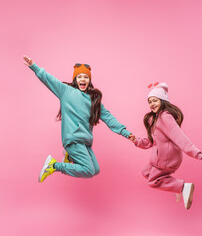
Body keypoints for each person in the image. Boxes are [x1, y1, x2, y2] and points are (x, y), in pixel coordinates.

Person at [23, 55, 132, 183]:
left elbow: (109, 118)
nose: (83, 79)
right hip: (73, 138)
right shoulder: (66, 92)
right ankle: (53, 165)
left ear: (89, 81)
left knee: (95, 170)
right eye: (79, 76)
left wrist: (126, 133)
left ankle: (68, 156)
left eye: (86, 77)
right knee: (88, 170)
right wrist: (33, 66)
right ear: (75, 79)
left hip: (85, 142)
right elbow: (49, 79)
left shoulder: (93, 100)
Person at [129, 82, 202, 210]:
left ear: (163, 101)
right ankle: (177, 188)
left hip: (167, 158)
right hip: (158, 157)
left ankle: (182, 187)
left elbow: (179, 136)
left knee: (153, 181)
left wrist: (195, 152)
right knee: (146, 172)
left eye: (155, 100)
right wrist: (136, 140)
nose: (152, 104)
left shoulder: (165, 117)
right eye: (150, 101)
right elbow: (152, 141)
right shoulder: (155, 119)